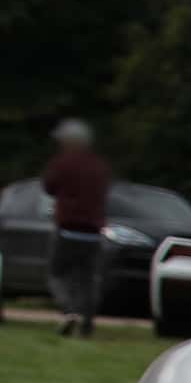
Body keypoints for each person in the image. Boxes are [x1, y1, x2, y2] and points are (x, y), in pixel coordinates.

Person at [41, 117, 114, 337]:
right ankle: (88, 323)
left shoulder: (63, 163)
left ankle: (69, 310)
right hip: (93, 232)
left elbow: (49, 187)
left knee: (58, 275)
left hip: (67, 229)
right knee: (88, 279)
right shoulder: (99, 166)